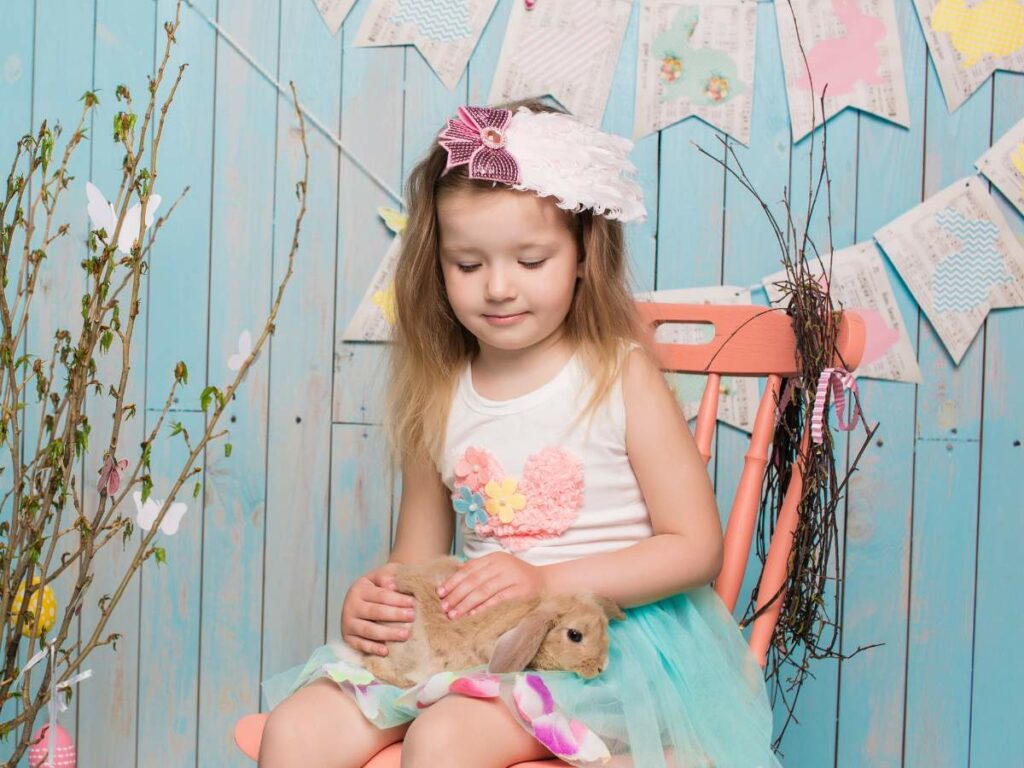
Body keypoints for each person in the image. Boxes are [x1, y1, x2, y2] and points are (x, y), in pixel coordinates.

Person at [257, 100, 781, 768]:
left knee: (443, 740)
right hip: (472, 643)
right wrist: (377, 598)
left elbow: (696, 548)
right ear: (436, 263)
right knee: (295, 731)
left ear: (584, 254)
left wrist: (543, 580)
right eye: (468, 265)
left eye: (530, 260)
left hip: (600, 647)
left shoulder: (618, 377)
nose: (498, 288)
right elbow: (415, 558)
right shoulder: (440, 394)